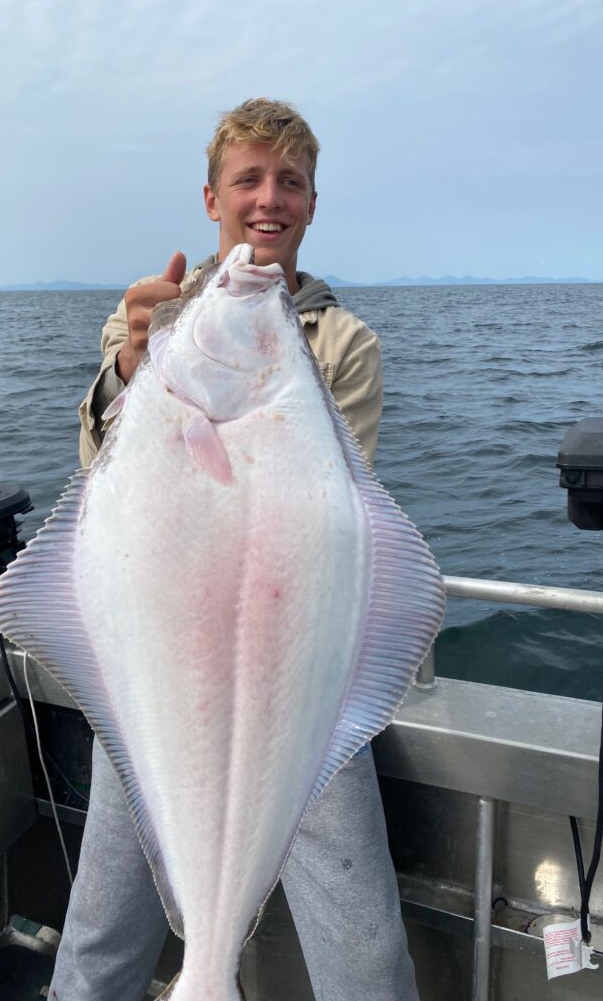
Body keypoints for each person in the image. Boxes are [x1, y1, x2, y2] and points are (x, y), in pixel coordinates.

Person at [50, 98, 419, 1001]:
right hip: (160, 665)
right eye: (247, 179)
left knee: (364, 948)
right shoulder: (143, 321)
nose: (268, 198)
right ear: (211, 198)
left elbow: (342, 510)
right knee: (101, 927)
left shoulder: (345, 342)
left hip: (294, 677)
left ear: (312, 203)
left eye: (288, 182)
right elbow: (100, 471)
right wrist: (137, 369)